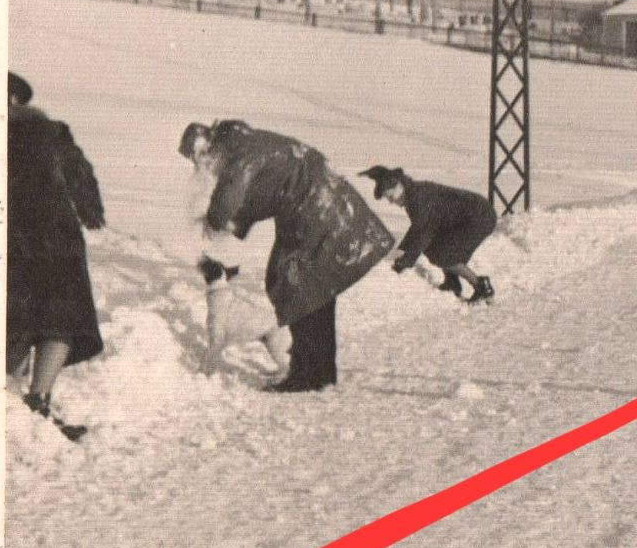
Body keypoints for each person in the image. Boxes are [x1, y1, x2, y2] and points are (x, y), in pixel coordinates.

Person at [179, 120, 394, 393]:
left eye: (200, 160)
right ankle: (319, 370)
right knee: (311, 286)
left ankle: (306, 373)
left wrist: (215, 219)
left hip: (316, 210)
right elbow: (261, 194)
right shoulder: (246, 142)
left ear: (205, 148)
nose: (204, 168)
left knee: (294, 283)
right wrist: (234, 222)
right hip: (319, 206)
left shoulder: (238, 150)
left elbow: (231, 193)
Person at [7, 72, 105, 441]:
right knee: (59, 318)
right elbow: (82, 178)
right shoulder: (52, 132)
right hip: (56, 239)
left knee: (13, 317)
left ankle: (9, 401)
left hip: (11, 237)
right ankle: (36, 400)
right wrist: (91, 210)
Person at [358, 165, 497, 304]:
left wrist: (406, 260)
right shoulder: (414, 194)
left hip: (479, 218)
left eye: (390, 196)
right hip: (469, 216)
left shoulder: (417, 198)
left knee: (442, 255)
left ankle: (481, 286)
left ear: (398, 185)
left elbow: (424, 232)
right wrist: (403, 250)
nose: (390, 201)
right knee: (435, 247)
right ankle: (452, 282)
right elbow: (418, 228)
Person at [197, 255, 290, 376]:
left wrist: (202, 371)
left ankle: (286, 373)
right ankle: (285, 370)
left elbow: (217, 343)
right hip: (272, 324)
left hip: (275, 327)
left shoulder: (219, 303)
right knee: (277, 351)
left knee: (280, 354)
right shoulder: (222, 299)